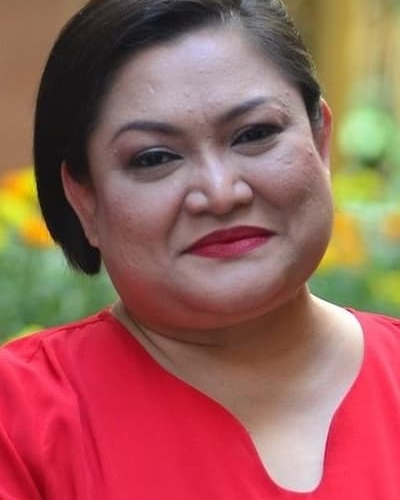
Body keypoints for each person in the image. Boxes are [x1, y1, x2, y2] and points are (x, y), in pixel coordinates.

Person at [0, 0, 399, 498]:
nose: (220, 192)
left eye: (255, 134)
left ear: (321, 142)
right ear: (85, 198)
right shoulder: (18, 422)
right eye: (155, 158)